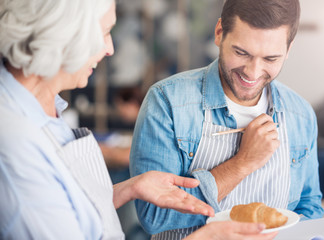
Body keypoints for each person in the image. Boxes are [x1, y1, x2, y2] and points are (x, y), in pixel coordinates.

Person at [0, 0, 277, 240]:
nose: (109, 49)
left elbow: (65, 211)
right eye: (105, 32)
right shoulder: (15, 147)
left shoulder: (40, 107)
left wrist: (128, 188)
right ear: (62, 34)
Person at [130, 0, 324, 238]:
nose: (253, 73)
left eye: (271, 59)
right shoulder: (167, 102)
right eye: (241, 53)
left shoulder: (300, 114)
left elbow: (309, 207)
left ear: (289, 49)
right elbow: (153, 216)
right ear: (219, 32)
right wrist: (241, 164)